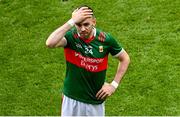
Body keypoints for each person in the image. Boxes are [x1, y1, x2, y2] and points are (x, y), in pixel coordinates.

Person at [46, 5, 130, 116]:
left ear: (94, 22)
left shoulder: (105, 40)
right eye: (78, 25)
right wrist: (71, 21)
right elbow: (50, 43)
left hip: (94, 101)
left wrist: (113, 85)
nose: (82, 29)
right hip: (71, 98)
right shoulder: (71, 37)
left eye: (86, 24)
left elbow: (125, 58)